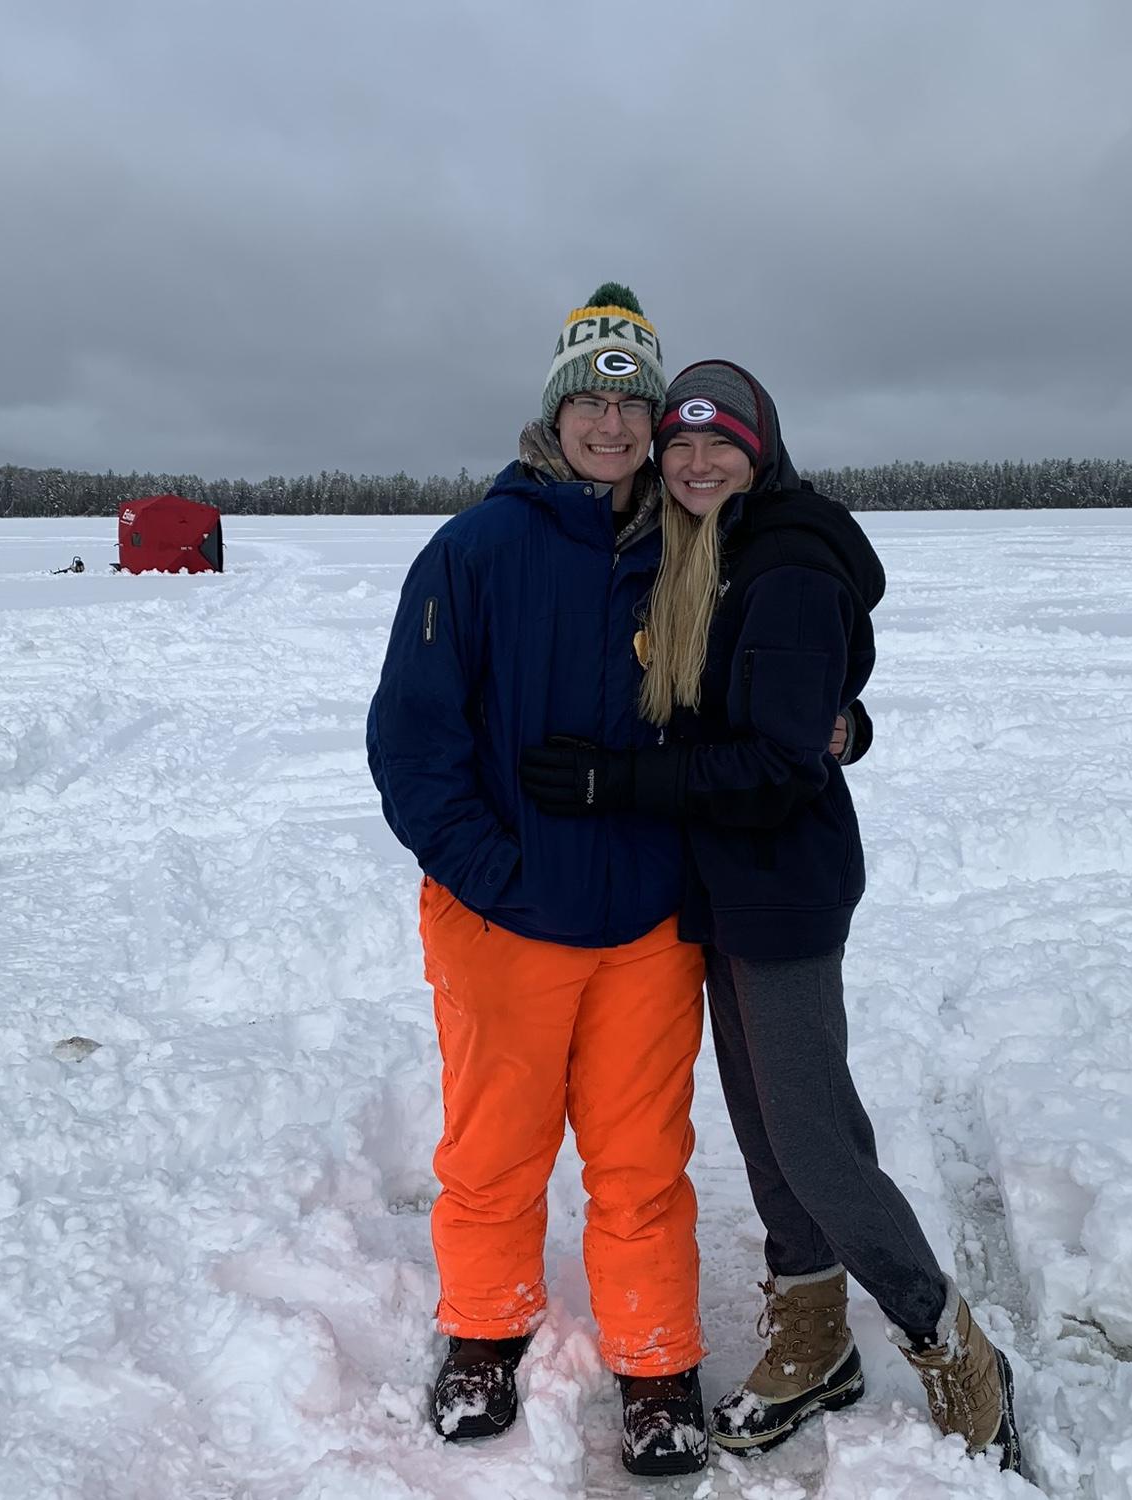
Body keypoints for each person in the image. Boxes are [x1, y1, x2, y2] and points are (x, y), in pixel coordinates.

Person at [520, 361, 1024, 1473]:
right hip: (722, 884)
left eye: (722, 447)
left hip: (780, 886)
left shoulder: (785, 562)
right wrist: (836, 723)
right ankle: (814, 1335)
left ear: (763, 451)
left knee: (812, 1138)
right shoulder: (713, 548)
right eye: (682, 447)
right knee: (762, 1125)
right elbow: (790, 716)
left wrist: (619, 784)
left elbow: (776, 766)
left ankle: (947, 1339)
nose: (696, 464)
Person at [367, 284, 712, 1477]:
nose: (612, 423)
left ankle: (658, 1359)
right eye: (592, 398)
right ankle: (483, 1332)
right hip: (501, 919)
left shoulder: (689, 547)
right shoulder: (474, 550)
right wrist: (484, 872)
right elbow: (412, 742)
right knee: (495, 1149)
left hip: (647, 926)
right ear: (556, 411)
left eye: (633, 401)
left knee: (641, 1156)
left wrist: (839, 720)